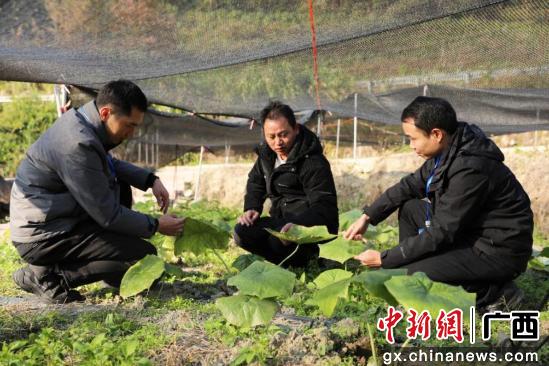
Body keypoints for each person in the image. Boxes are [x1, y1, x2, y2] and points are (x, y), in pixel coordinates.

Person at [345, 96, 533, 312]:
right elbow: (408, 186)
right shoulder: (445, 153)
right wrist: (367, 216)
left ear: (436, 134)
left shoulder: (470, 167)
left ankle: (496, 294)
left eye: (413, 139)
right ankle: (416, 269)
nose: (411, 146)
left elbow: (442, 231)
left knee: (414, 274)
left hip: (496, 251)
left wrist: (385, 258)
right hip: (471, 233)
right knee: (410, 208)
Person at [10, 80, 185, 303]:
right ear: (105, 112)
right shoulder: (77, 144)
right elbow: (108, 215)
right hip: (43, 236)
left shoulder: (83, 124)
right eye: (129, 125)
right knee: (143, 257)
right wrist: (157, 225)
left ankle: (58, 267)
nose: (131, 133)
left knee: (120, 189)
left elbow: (108, 164)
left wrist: (150, 180)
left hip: (56, 220)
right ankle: (47, 277)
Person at [234, 101, 338, 267]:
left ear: (296, 129)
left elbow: (324, 208)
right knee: (242, 232)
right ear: (264, 134)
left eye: (283, 135)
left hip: (309, 226)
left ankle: (308, 259)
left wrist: (299, 225)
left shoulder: (313, 161)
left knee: (278, 241)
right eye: (272, 137)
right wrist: (252, 208)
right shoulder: (267, 156)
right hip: (280, 220)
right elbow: (256, 182)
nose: (278, 143)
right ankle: (283, 262)